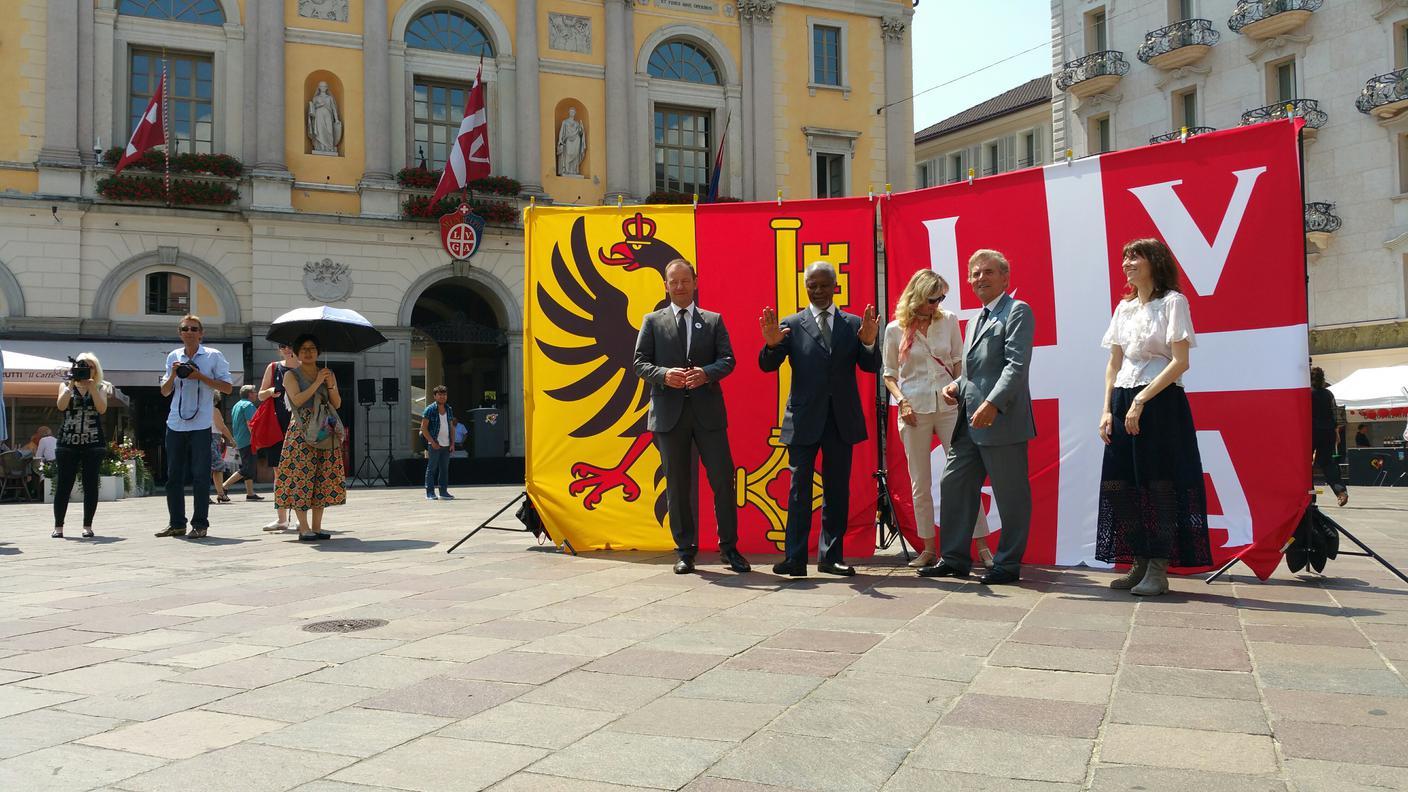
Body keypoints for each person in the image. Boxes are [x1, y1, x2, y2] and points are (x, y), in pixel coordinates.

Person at [1097, 238, 1211, 596]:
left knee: (1159, 485)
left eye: (1135, 257)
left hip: (1160, 401)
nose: (1127, 263)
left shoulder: (1172, 302)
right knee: (1120, 485)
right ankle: (1139, 560)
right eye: (1125, 257)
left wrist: (1142, 400)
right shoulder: (1124, 308)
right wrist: (1106, 409)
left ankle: (1159, 568)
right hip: (1122, 399)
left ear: (1154, 261)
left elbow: (1181, 361)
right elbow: (1113, 363)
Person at [920, 250, 1035, 586]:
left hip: (1002, 420)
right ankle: (954, 559)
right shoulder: (976, 319)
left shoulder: (1017, 312)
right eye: (974, 274)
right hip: (969, 422)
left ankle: (1007, 564)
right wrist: (955, 386)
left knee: (1011, 495)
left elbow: (1016, 367)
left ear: (1004, 278)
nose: (980, 278)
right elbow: (973, 373)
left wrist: (994, 404)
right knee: (953, 484)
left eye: (987, 272)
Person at [759, 261, 880, 577]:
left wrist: (868, 341)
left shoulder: (853, 323)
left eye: (824, 285)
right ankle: (794, 559)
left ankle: (831, 556)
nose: (818, 290)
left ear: (835, 286)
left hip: (842, 419)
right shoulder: (791, 324)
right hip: (803, 420)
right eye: (812, 285)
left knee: (837, 490)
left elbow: (870, 366)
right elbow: (767, 365)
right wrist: (771, 345)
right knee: (798, 489)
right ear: (805, 287)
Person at [634, 258, 750, 575]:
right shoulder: (653, 321)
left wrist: (707, 373)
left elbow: (728, 360)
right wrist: (663, 374)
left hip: (708, 414)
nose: (680, 286)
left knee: (723, 481)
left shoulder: (713, 321)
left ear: (695, 282)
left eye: (685, 280)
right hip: (669, 415)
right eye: (674, 281)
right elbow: (639, 363)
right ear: (666, 285)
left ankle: (729, 548)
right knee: (677, 486)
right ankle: (685, 551)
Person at [882, 270, 993, 569]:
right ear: (918, 296)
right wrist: (902, 402)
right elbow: (889, 375)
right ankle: (929, 548)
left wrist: (960, 390)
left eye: (941, 298)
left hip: (948, 407)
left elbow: (959, 361)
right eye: (933, 299)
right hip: (913, 409)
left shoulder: (949, 320)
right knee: (920, 482)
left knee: (964, 477)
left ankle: (982, 546)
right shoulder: (895, 329)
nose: (937, 304)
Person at [155, 315, 233, 539]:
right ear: (180, 333)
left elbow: (227, 388)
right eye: (184, 328)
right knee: (173, 477)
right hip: (175, 422)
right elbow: (164, 391)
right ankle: (176, 523)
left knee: (200, 475)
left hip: (201, 423)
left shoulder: (213, 356)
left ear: (201, 333)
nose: (189, 332)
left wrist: (199, 375)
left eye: (193, 328)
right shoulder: (173, 356)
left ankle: (200, 524)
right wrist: (173, 373)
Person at [276, 334, 346, 540]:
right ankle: (303, 527)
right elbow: (297, 400)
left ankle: (316, 526)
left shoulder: (327, 373)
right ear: (296, 353)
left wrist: (330, 384)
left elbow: (337, 403)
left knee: (322, 477)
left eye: (312, 348)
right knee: (302, 477)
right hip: (302, 429)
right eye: (304, 349)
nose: (308, 352)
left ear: (318, 352)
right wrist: (317, 382)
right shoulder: (291, 375)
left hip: (325, 426)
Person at [52, 353, 109, 538]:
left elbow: (101, 409)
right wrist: (71, 383)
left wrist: (92, 388)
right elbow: (60, 406)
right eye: (83, 366)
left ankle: (87, 526)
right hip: (67, 442)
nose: (87, 370)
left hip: (93, 443)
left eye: (91, 367)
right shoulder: (65, 386)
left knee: (90, 484)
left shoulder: (101, 387)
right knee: (63, 484)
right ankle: (58, 526)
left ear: (96, 369)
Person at [258, 343, 298, 531]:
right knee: (278, 472)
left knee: (300, 471)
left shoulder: (303, 367)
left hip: (299, 426)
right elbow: (260, 395)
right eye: (283, 346)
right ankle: (282, 518)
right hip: (277, 426)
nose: (287, 349)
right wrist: (270, 392)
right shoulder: (273, 367)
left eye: (290, 345)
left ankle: (300, 517)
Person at [1310, 367, 1348, 507]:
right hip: (1328, 432)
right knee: (1328, 464)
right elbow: (1335, 414)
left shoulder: (1307, 394)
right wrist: (1336, 432)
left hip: (1311, 432)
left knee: (1305, 467)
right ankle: (1341, 492)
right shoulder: (1328, 394)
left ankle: (1311, 498)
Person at [223, 385, 262, 501]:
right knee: (247, 468)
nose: (256, 394)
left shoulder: (236, 405)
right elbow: (252, 424)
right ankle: (224, 485)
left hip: (240, 440)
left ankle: (250, 493)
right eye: (254, 392)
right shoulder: (248, 405)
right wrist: (257, 441)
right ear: (250, 394)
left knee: (249, 466)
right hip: (248, 440)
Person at [420, 385, 457, 501]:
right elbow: (423, 428)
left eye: (444, 394)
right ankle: (430, 493)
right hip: (435, 444)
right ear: (435, 396)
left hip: (446, 445)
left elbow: (451, 427)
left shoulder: (449, 409)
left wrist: (452, 443)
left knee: (444, 469)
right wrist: (432, 442)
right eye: (440, 394)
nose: (442, 397)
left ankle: (443, 491)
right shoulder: (430, 409)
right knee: (432, 469)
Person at [209, 397, 237, 504]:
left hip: (206, 438)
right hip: (212, 440)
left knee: (214, 468)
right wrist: (231, 439)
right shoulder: (214, 410)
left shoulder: (200, 409)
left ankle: (220, 493)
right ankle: (219, 494)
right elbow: (221, 426)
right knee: (217, 467)